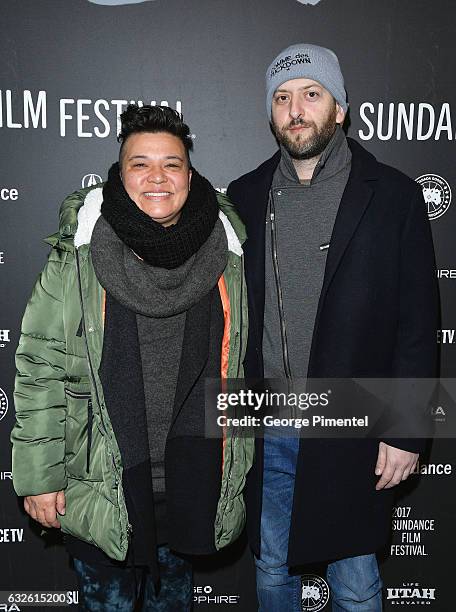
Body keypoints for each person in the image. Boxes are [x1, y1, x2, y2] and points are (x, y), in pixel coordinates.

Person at [11, 104, 253, 611]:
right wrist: (38, 477)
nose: (157, 178)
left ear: (190, 174)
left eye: (172, 164)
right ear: (121, 174)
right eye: (140, 164)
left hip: (193, 486)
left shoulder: (227, 251)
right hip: (102, 484)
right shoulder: (78, 251)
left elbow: (241, 370)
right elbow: (40, 364)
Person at [227, 44, 439, 611]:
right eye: (282, 98)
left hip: (355, 423)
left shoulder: (393, 195)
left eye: (311, 95)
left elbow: (419, 326)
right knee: (271, 567)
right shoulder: (242, 197)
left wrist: (406, 430)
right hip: (268, 422)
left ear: (340, 109)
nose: (296, 110)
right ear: (270, 114)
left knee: (355, 578)